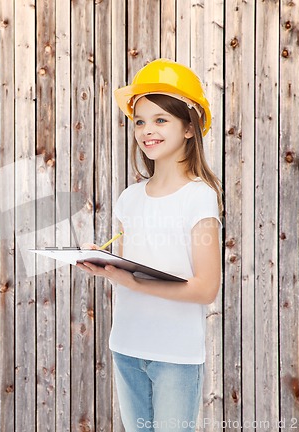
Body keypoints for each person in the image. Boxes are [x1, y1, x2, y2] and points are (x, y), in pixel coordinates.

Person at [76, 58, 223, 431]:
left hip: (174, 355)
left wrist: (134, 282)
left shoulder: (199, 198)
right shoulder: (130, 198)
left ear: (190, 128)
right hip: (126, 346)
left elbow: (206, 289)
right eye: (140, 121)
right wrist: (103, 262)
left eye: (160, 120)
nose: (147, 130)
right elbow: (130, 270)